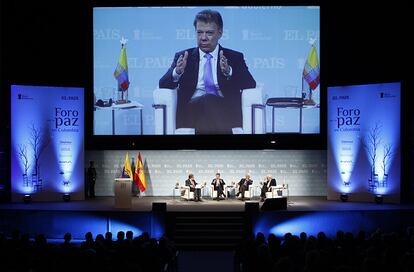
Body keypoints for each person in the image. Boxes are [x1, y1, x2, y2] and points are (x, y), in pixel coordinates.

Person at [159, 9, 256, 134]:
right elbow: (163, 84)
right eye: (199, 33)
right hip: (191, 111)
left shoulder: (234, 57)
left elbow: (250, 84)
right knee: (207, 100)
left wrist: (229, 72)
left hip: (225, 111)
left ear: (220, 33)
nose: (203, 38)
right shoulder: (184, 57)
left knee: (207, 111)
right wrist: (177, 72)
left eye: (209, 33)